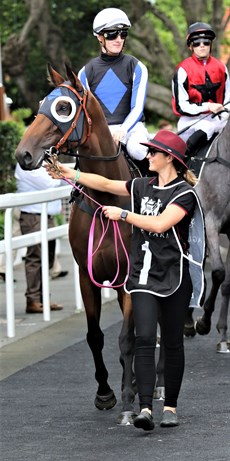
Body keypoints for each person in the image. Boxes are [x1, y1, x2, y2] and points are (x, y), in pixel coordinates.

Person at [45, 130, 205, 431]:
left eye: (153, 153)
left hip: (174, 277)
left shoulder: (185, 193)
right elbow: (105, 183)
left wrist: (123, 215)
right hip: (142, 275)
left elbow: (160, 224)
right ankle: (144, 408)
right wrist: (70, 172)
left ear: (169, 158)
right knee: (143, 338)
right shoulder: (142, 185)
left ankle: (169, 406)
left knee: (171, 343)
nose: (147, 156)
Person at [78, 7, 149, 162]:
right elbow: (85, 112)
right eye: (112, 34)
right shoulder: (85, 72)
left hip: (132, 130)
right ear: (99, 37)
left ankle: (154, 184)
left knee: (137, 149)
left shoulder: (137, 66)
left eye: (123, 34)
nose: (118, 39)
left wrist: (122, 130)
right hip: (101, 131)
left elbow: (137, 108)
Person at [15, 163, 67, 314]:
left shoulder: (45, 162)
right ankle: (33, 300)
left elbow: (59, 180)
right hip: (33, 217)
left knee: (48, 259)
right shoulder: (26, 165)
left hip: (46, 216)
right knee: (35, 258)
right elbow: (48, 184)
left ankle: (43, 298)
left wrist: (60, 174)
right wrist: (61, 174)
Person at [172, 22, 230, 151]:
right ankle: (182, 163)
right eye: (197, 43)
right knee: (207, 127)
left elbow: (227, 98)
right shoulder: (182, 70)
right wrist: (208, 106)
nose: (202, 46)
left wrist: (225, 113)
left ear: (211, 44)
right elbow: (180, 106)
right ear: (191, 46)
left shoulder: (221, 67)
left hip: (219, 119)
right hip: (191, 122)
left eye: (206, 42)